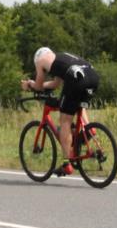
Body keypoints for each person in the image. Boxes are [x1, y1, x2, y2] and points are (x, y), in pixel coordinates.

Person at [21, 47, 100, 176]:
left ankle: (66, 164)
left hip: (76, 79)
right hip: (92, 77)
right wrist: (39, 85)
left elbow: (39, 86)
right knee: (78, 105)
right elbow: (55, 84)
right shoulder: (59, 58)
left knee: (65, 121)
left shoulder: (40, 61)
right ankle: (89, 129)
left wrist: (30, 84)